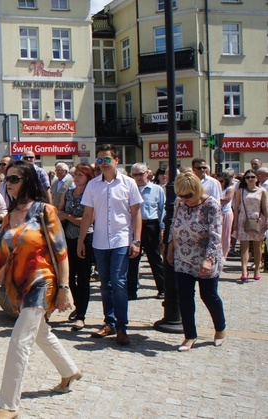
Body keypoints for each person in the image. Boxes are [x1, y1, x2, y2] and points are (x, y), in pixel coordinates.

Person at [0, 160, 80, 419]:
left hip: (42, 282)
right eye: (6, 179)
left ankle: (8, 405)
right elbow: (1, 257)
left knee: (19, 340)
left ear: (28, 182)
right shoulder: (10, 216)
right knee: (40, 333)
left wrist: (64, 288)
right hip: (18, 285)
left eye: (14, 179)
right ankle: (69, 371)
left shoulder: (45, 211)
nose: (8, 183)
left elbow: (61, 252)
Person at [78, 144, 142, 346]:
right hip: (99, 241)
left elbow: (136, 213)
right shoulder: (93, 185)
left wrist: (137, 240)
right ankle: (110, 322)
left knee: (119, 282)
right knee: (105, 284)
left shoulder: (128, 183)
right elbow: (88, 214)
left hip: (121, 239)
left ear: (116, 160)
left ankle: (122, 327)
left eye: (107, 159)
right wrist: (81, 240)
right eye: (99, 160)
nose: (103, 164)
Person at [167, 172, 227, 351]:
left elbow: (215, 236)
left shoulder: (211, 205)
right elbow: (174, 225)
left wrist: (208, 260)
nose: (185, 199)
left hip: (205, 257)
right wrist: (170, 247)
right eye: (181, 195)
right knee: (185, 298)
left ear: (197, 189)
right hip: (183, 257)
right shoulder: (180, 203)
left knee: (209, 296)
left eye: (189, 195)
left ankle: (220, 328)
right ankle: (189, 335)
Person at [58, 163, 95, 331]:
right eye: (76, 174)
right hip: (68, 238)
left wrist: (69, 216)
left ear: (88, 177)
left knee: (83, 278)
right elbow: (59, 213)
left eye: (81, 174)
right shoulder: (68, 193)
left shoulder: (91, 194)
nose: (77, 177)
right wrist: (67, 216)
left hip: (86, 237)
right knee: (69, 276)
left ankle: (81, 315)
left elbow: (88, 220)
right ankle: (77, 307)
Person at [127, 163, 166, 300]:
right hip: (134, 226)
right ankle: (131, 291)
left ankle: (163, 289)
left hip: (151, 225)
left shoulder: (157, 189)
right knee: (132, 260)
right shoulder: (130, 189)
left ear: (147, 173)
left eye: (141, 174)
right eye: (135, 174)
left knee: (155, 258)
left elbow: (162, 209)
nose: (138, 177)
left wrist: (162, 228)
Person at [232, 169, 268, 281]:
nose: (250, 179)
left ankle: (257, 269)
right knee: (244, 247)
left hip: (258, 220)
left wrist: (267, 220)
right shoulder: (240, 191)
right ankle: (244, 270)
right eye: (247, 177)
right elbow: (236, 208)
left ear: (257, 178)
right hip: (243, 219)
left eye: (252, 177)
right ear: (245, 179)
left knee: (257, 246)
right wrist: (235, 223)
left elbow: (265, 207)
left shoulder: (262, 191)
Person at [216, 170, 236, 258]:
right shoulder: (215, 188)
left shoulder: (229, 188)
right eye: (218, 181)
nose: (220, 183)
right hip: (216, 214)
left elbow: (226, 199)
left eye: (221, 181)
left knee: (225, 236)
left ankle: (223, 256)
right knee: (216, 235)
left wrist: (213, 200)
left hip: (226, 213)